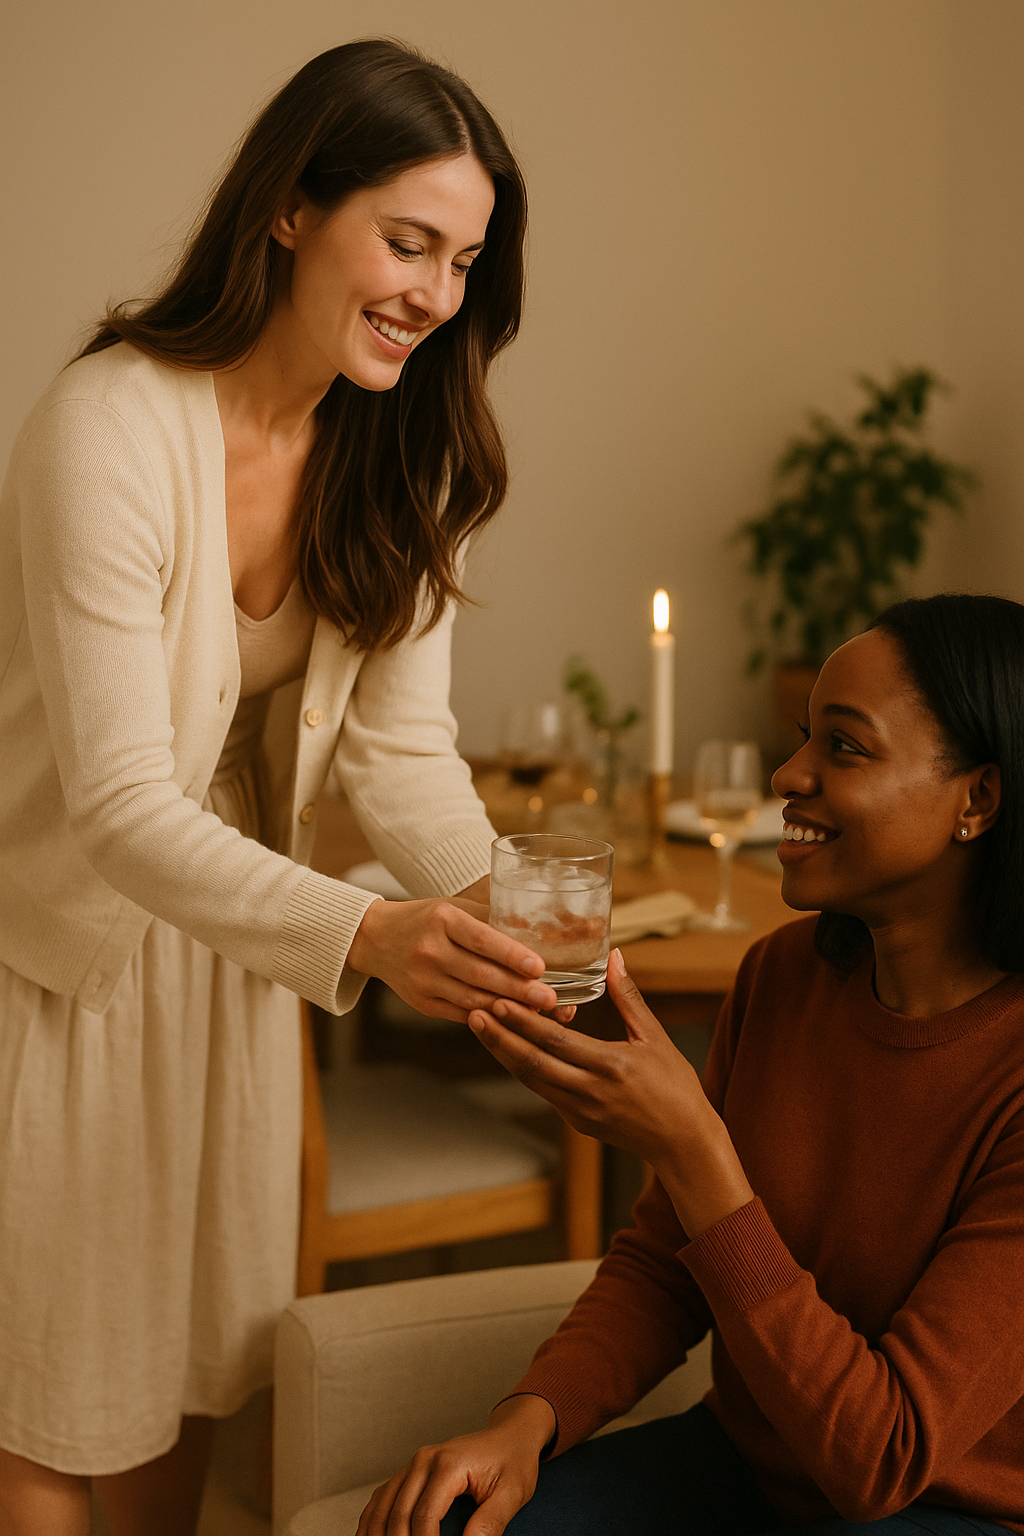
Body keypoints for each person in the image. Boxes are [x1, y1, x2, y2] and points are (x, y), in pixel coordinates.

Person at [0, 39, 571, 1536]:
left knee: (187, 1391)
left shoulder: (402, 451)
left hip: (235, 964)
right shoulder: (108, 429)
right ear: (287, 211)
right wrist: (374, 937)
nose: (435, 295)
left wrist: (504, 912)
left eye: (463, 260)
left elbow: (399, 756)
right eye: (407, 241)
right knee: (44, 1409)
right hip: (57, 964)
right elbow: (123, 804)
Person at [361, 593, 1024, 1536]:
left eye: (844, 747)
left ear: (978, 801)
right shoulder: (786, 976)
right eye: (803, 738)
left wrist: (694, 1148)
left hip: (939, 1510)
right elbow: (670, 1265)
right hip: (742, 1470)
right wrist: (524, 1426)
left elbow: (882, 1459)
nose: (787, 772)